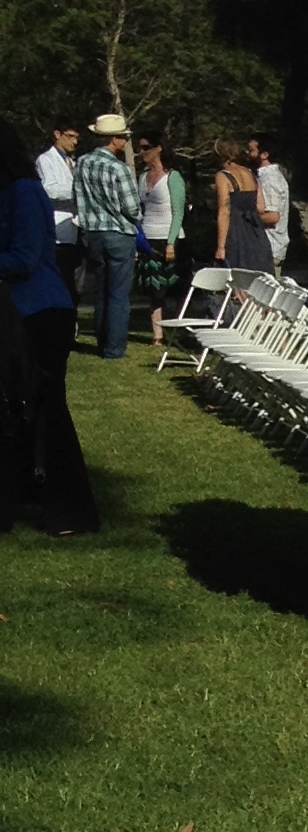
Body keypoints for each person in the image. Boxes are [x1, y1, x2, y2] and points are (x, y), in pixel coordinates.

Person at [0, 117, 98, 536]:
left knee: (46, 410)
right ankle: (21, 497)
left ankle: (69, 511)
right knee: (13, 411)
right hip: (15, 314)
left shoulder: (24, 192)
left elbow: (23, 258)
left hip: (42, 313)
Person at [71, 113, 143, 361]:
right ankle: (113, 349)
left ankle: (102, 343)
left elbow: (77, 197)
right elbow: (131, 207)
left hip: (93, 232)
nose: (124, 141)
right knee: (118, 294)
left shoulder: (81, 163)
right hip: (118, 232)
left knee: (101, 290)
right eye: (123, 137)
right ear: (114, 139)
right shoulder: (118, 168)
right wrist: (138, 216)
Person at [137, 135, 186, 350]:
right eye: (140, 148)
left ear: (159, 148)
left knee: (174, 288)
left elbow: (178, 212)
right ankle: (157, 335)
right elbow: (139, 210)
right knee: (153, 290)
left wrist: (171, 242)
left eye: (146, 147)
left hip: (169, 237)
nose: (142, 152)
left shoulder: (173, 177)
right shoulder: (142, 177)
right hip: (148, 237)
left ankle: (178, 331)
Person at [214, 137, 276, 274]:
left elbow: (224, 212)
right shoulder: (251, 173)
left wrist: (220, 247)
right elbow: (260, 206)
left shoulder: (222, 176)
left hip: (235, 232)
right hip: (255, 230)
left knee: (236, 280)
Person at [36, 122, 79, 264]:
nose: (75, 142)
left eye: (77, 138)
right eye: (70, 136)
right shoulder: (45, 159)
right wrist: (78, 192)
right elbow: (49, 189)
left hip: (74, 227)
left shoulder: (72, 162)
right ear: (57, 134)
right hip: (58, 226)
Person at [249, 134, 292, 271]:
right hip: (267, 248)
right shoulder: (265, 177)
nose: (247, 153)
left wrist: (245, 220)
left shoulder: (269, 180)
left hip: (269, 248)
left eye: (251, 150)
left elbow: (272, 216)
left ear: (264, 154)